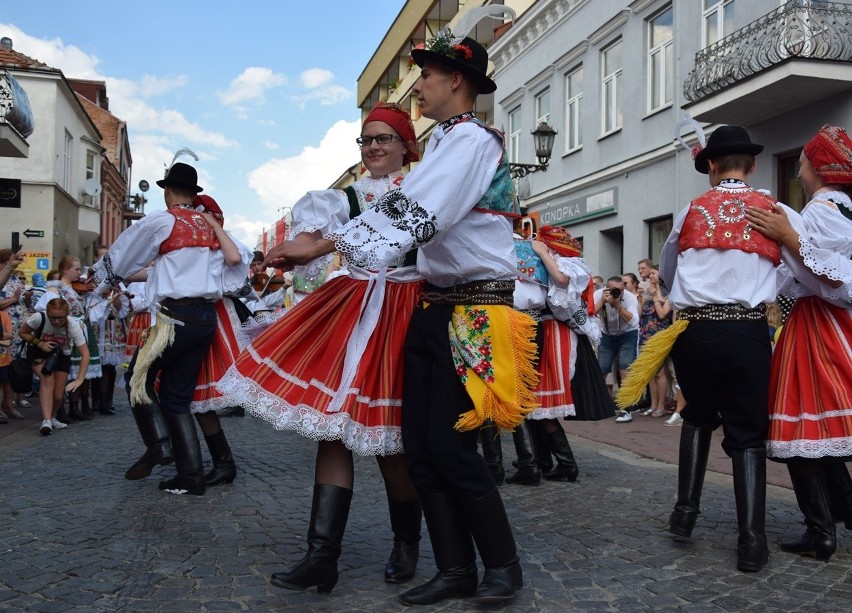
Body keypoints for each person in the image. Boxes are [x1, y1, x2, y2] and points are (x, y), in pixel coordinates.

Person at [263, 8, 535, 605]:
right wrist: (316, 244)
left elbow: (414, 215)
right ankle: (456, 569)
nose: (421, 87)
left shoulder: (471, 141)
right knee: (422, 445)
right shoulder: (445, 144)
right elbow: (402, 210)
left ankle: (503, 566)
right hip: (438, 307)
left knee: (451, 446)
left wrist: (322, 242)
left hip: (475, 310)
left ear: (456, 80)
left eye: (427, 77)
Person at [217, 102, 424, 592]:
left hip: (402, 309)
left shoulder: (422, 190)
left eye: (383, 138)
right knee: (331, 431)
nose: (373, 147)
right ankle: (321, 555)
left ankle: (406, 541)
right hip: (348, 312)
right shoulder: (341, 198)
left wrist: (316, 245)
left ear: (405, 147)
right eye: (366, 139)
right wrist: (287, 253)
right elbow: (309, 256)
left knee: (391, 441)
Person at [658, 124, 787, 572]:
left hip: (695, 332)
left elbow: (668, 272)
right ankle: (751, 542)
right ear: (751, 166)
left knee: (696, 416)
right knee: (747, 433)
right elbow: (797, 266)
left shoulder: (690, 209)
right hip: (748, 330)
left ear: (711, 166)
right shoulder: (774, 209)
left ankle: (684, 514)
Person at [91, 158, 249, 496]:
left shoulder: (163, 221)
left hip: (173, 319)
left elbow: (122, 256)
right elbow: (236, 263)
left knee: (137, 377)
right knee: (177, 397)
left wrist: (98, 279)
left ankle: (159, 445)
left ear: (166, 191)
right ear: (194, 192)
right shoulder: (211, 226)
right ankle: (190, 476)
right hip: (204, 320)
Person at [746, 124, 852, 561]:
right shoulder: (839, 209)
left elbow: (825, 280)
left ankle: (820, 530)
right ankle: (842, 511)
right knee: (819, 431)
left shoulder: (824, 210)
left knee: (799, 428)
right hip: (833, 323)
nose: (801, 168)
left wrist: (788, 237)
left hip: (818, 326)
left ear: (815, 166)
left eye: (805, 160)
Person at [18, 297, 90, 435]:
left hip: (61, 355)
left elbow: (85, 354)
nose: (57, 321)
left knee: (58, 395)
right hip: (38, 352)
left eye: (61, 318)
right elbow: (22, 332)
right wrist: (39, 343)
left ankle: (51, 417)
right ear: (47, 314)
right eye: (53, 318)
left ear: (67, 315)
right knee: (47, 378)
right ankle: (46, 421)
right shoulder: (38, 318)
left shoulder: (73, 326)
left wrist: (80, 379)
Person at [594, 276, 640, 422]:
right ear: (605, 288)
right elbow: (590, 313)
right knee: (601, 369)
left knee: (625, 369)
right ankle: (600, 406)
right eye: (613, 290)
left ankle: (626, 409)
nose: (617, 293)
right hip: (606, 334)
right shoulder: (598, 294)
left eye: (619, 290)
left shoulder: (630, 298)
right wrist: (603, 300)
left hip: (627, 334)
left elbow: (634, 321)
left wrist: (617, 306)